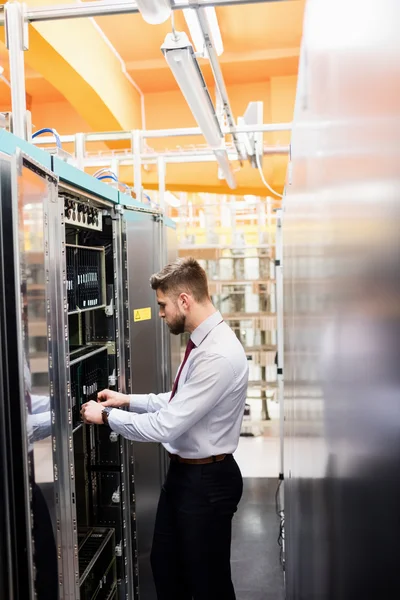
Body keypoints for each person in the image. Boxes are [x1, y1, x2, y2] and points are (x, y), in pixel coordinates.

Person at [81, 257, 249, 600]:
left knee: (207, 583)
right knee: (167, 565)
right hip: (186, 478)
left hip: (207, 483)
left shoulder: (216, 355)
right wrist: (126, 400)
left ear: (184, 300)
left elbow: (166, 424)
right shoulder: (203, 344)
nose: (160, 313)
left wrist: (107, 417)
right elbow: (176, 403)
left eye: (162, 305)